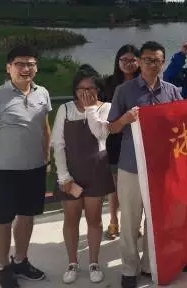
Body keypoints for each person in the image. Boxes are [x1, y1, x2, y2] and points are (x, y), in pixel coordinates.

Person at [107, 41, 183, 288]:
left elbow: (184, 121)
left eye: (157, 60)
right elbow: (111, 127)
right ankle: (129, 269)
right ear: (139, 62)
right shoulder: (124, 91)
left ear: (163, 63)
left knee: (156, 220)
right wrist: (125, 119)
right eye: (148, 60)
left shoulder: (171, 92)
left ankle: (150, 265)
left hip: (161, 168)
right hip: (131, 166)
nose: (152, 65)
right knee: (130, 221)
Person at [0, 45, 51, 288]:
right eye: (20, 64)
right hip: (5, 171)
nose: (25, 68)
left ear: (36, 68)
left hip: (35, 168)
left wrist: (46, 158)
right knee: (3, 220)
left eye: (31, 64)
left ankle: (20, 260)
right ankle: (4, 267)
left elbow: (44, 128)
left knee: (27, 217)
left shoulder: (42, 93)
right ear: (9, 68)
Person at [51, 64, 115, 284]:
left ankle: (94, 262)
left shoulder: (106, 108)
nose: (86, 92)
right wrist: (64, 177)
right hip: (71, 173)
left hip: (96, 171)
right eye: (81, 88)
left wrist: (90, 109)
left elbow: (100, 134)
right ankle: (72, 262)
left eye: (91, 88)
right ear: (75, 90)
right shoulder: (65, 109)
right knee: (71, 218)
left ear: (98, 89)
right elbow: (58, 144)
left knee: (94, 219)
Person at [101, 44, 140, 240]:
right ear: (118, 61)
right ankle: (113, 220)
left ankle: (132, 224)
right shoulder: (108, 83)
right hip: (115, 138)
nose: (128, 63)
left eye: (133, 60)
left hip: (138, 141)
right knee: (116, 184)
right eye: (124, 59)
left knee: (134, 187)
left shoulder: (144, 83)